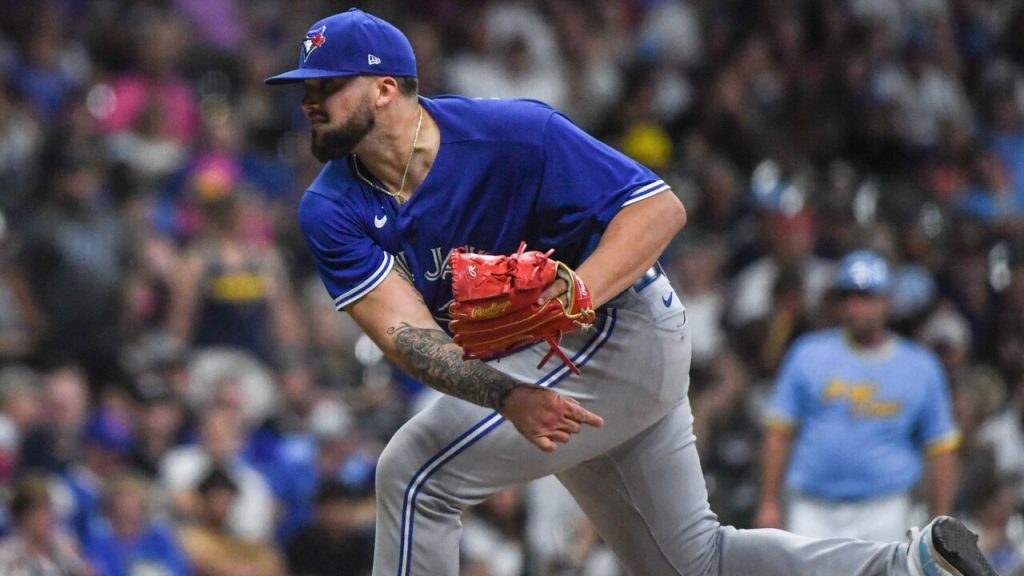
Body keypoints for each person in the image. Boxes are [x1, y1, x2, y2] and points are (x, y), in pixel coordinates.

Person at [266, 8, 998, 575]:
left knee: (414, 476)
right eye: (303, 91)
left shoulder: (515, 134)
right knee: (689, 561)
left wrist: (574, 294)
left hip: (622, 329)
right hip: (535, 368)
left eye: (326, 86)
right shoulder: (331, 206)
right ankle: (910, 566)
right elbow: (406, 334)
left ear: (386, 88)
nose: (309, 102)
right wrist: (506, 395)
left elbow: (659, 210)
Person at [756, 251, 961, 542]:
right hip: (812, 505)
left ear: (886, 300)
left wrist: (940, 521)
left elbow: (941, 449)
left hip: (885, 506)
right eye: (848, 296)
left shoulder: (920, 366)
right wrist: (768, 501)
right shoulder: (808, 353)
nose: (856, 306)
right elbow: (778, 432)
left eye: (866, 297)